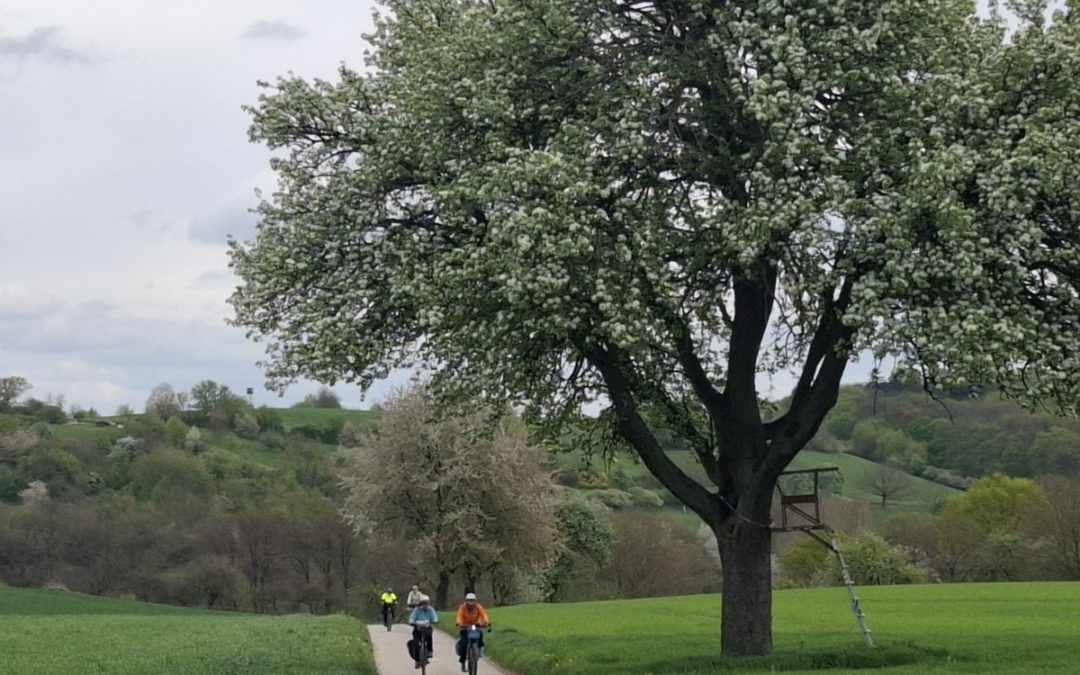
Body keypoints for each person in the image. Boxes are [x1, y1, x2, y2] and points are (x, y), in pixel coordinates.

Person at [455, 592, 491, 672]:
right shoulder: (462, 607)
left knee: (480, 636)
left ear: (475, 601)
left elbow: (483, 614)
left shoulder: (478, 607)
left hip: (475, 625)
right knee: (464, 645)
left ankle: (478, 650)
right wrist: (459, 623)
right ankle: (463, 662)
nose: (470, 602)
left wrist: (486, 622)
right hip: (465, 627)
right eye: (469, 600)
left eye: (472, 600)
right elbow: (459, 616)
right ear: (466, 601)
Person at [407, 595, 439, 668]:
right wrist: (411, 622)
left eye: (427, 603)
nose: (425, 605)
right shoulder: (416, 609)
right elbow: (412, 617)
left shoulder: (430, 609)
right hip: (417, 629)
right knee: (416, 643)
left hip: (427, 628)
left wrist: (435, 620)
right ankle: (417, 660)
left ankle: (430, 651)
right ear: (420, 603)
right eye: (423, 603)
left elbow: (434, 616)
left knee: (429, 637)